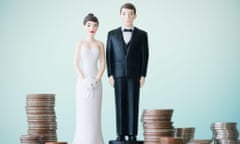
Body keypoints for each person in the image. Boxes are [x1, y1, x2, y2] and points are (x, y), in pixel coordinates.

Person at [106, 3, 149, 143]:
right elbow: (109, 55)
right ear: (120, 15)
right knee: (119, 104)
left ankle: (132, 134)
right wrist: (110, 74)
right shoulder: (112, 34)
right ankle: (120, 133)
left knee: (133, 103)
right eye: (124, 13)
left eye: (130, 14)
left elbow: (145, 55)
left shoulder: (142, 35)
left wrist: (143, 75)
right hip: (118, 75)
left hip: (134, 74)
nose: (127, 16)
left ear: (135, 16)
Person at [73, 13, 105, 144]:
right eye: (89, 25)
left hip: (97, 84)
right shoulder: (80, 43)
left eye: (95, 25)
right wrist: (84, 79)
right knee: (83, 113)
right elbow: (76, 63)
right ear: (84, 26)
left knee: (94, 115)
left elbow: (103, 64)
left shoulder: (100, 44)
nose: (92, 27)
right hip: (82, 83)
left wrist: (97, 79)